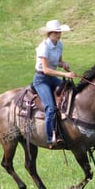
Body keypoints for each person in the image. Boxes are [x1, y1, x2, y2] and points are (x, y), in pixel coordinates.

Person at [33, 19, 78, 149]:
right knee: (51, 107)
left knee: (71, 90)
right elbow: (46, 69)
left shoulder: (59, 44)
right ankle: (50, 137)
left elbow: (58, 61)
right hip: (42, 79)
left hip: (52, 77)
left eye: (60, 32)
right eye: (57, 32)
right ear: (51, 33)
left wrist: (63, 64)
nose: (59, 35)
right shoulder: (44, 47)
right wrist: (65, 75)